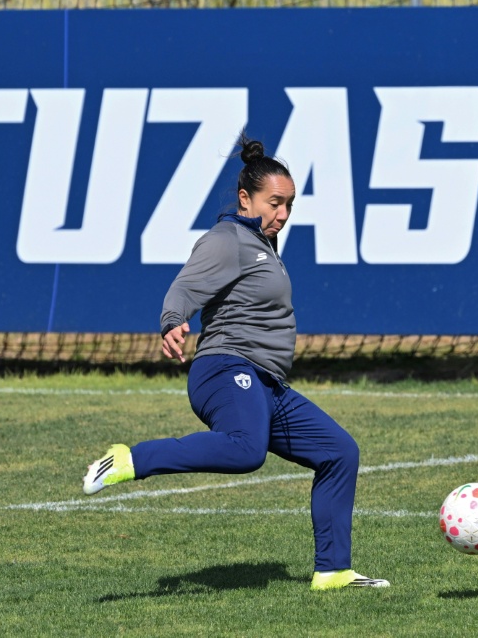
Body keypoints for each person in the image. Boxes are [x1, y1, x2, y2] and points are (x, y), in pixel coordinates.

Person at [82, 133, 389, 591]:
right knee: (246, 450)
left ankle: (332, 571)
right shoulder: (228, 239)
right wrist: (173, 322)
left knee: (339, 452)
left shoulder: (262, 244)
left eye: (289, 205)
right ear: (245, 198)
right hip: (225, 370)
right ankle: (130, 459)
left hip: (266, 384)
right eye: (274, 203)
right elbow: (184, 288)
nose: (282, 214)